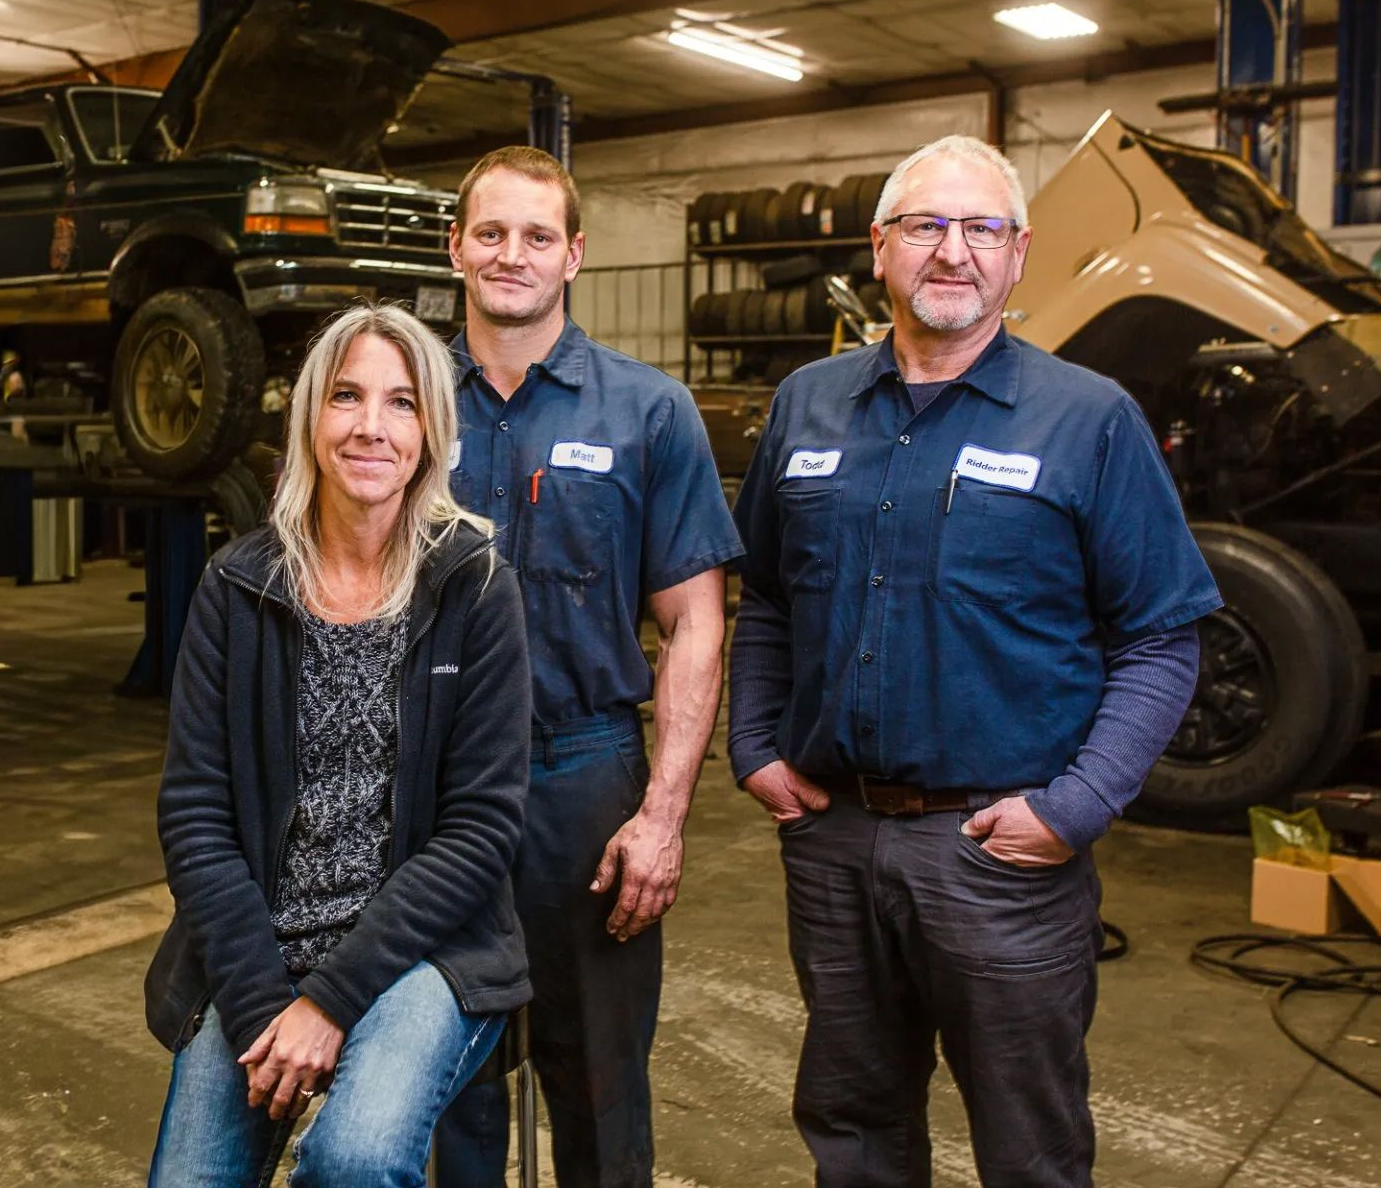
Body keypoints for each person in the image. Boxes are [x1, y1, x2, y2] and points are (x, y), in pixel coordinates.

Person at [728, 135, 1223, 1187]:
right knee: (852, 1127)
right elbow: (766, 597)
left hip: (997, 853)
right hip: (830, 837)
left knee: (1028, 1146)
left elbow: (1159, 635)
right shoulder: (805, 407)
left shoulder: (1087, 420)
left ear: (1016, 255)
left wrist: (1074, 807)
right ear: (878, 249)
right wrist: (752, 743)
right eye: (923, 226)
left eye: (979, 228)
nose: (950, 251)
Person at [144, 302, 533, 1187]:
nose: (370, 426)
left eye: (401, 403)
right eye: (346, 397)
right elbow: (196, 814)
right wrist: (259, 1004)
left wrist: (330, 999)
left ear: (431, 430)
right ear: (309, 417)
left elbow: (479, 831)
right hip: (257, 951)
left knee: (352, 1161)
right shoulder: (238, 587)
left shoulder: (474, 587)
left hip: (422, 952)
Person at [433, 146, 743, 1187]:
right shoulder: (402, 407)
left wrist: (661, 815)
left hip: (583, 780)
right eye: (489, 232)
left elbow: (693, 624)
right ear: (455, 246)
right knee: (439, 1075)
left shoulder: (648, 413)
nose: (509, 254)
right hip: (429, 787)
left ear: (574, 255)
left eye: (534, 236)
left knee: (599, 1080)